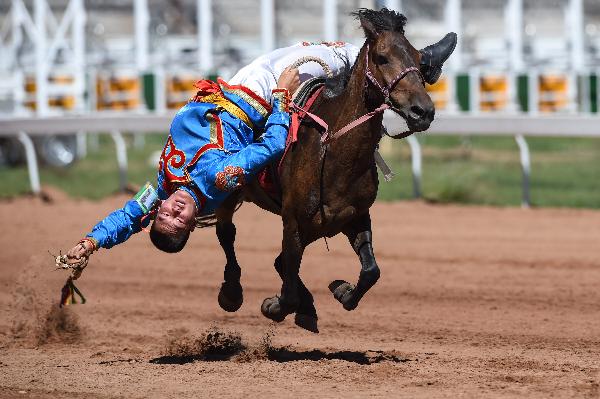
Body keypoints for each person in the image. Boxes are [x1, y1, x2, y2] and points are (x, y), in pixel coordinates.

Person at [65, 34, 456, 265]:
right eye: (180, 220)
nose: (173, 210)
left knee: (332, 57)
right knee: (324, 53)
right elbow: (270, 146)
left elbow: (126, 216)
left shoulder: (163, 188)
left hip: (224, 92)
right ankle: (420, 65)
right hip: (254, 92)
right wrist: (283, 96)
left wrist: (91, 242)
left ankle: (415, 66)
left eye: (165, 214)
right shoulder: (221, 177)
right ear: (191, 221)